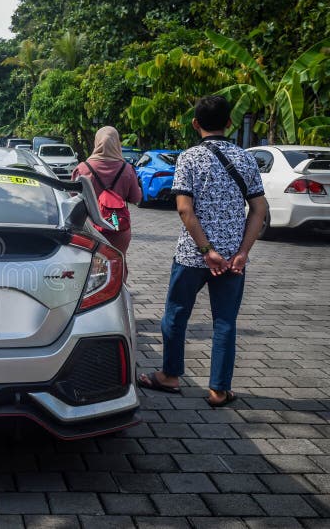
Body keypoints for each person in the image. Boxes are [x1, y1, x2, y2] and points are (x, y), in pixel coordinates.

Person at [136, 95, 268, 407]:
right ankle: (219, 390)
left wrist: (206, 250)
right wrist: (243, 252)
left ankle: (170, 375)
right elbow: (259, 209)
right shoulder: (246, 159)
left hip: (192, 256)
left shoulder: (189, 158)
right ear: (230, 124)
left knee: (176, 315)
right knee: (224, 322)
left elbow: (184, 210)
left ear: (195, 124)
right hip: (233, 258)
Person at [71, 126, 142, 256]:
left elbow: (72, 198)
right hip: (118, 227)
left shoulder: (82, 169)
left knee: (90, 268)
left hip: (89, 229)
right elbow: (136, 198)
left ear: (96, 142)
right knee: (117, 268)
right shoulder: (127, 169)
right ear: (117, 143)